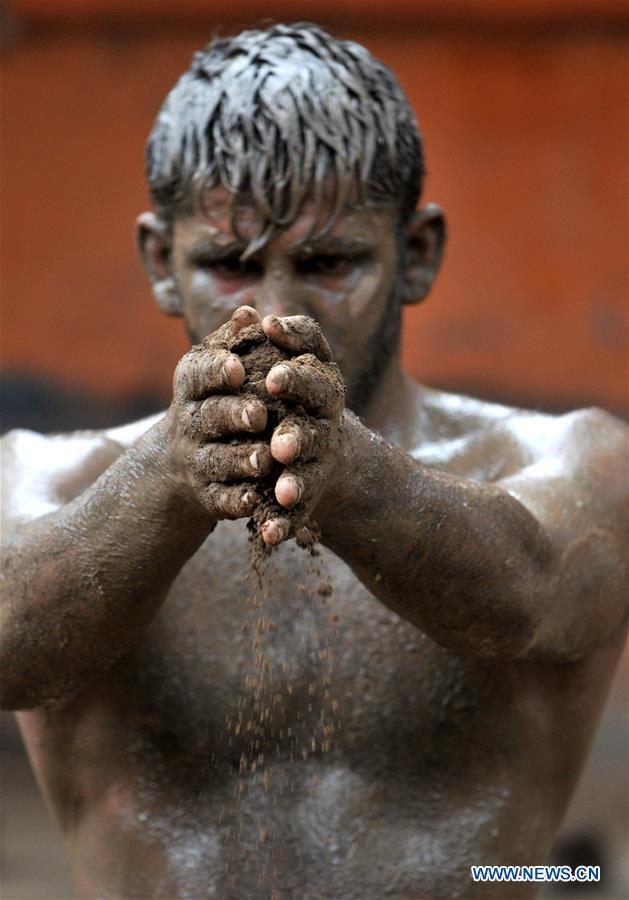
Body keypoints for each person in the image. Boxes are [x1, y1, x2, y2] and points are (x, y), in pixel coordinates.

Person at [1, 23, 626, 900]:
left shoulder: (575, 456)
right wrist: (167, 478)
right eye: (227, 264)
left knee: (565, 872)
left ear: (416, 255)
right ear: (160, 263)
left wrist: (356, 474)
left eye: (328, 261)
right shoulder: (41, 476)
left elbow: (532, 596)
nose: (275, 312)